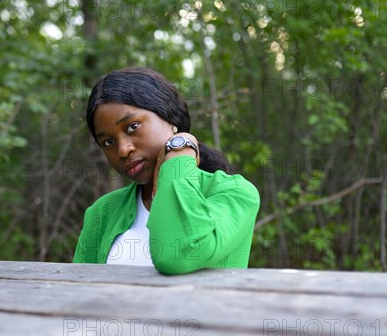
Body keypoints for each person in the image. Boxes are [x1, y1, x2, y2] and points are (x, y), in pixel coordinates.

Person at [73, 67, 260, 275]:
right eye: (108, 141)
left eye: (132, 127)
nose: (123, 149)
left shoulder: (235, 192)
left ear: (170, 118)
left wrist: (180, 151)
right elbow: (76, 286)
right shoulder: (102, 212)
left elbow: (179, 253)